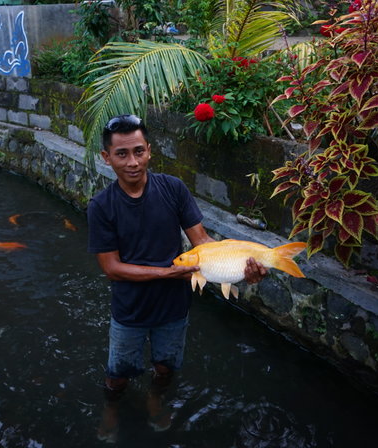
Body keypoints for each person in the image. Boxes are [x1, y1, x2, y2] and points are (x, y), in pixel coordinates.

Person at [87, 114, 268, 442]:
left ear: (150, 151)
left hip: (174, 306)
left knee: (166, 366)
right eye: (122, 154)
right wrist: (168, 272)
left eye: (139, 151)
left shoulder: (173, 188)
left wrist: (242, 267)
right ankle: (111, 408)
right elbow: (111, 268)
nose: (132, 162)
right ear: (107, 158)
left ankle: (155, 399)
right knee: (118, 373)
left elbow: (203, 242)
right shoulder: (101, 206)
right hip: (129, 309)